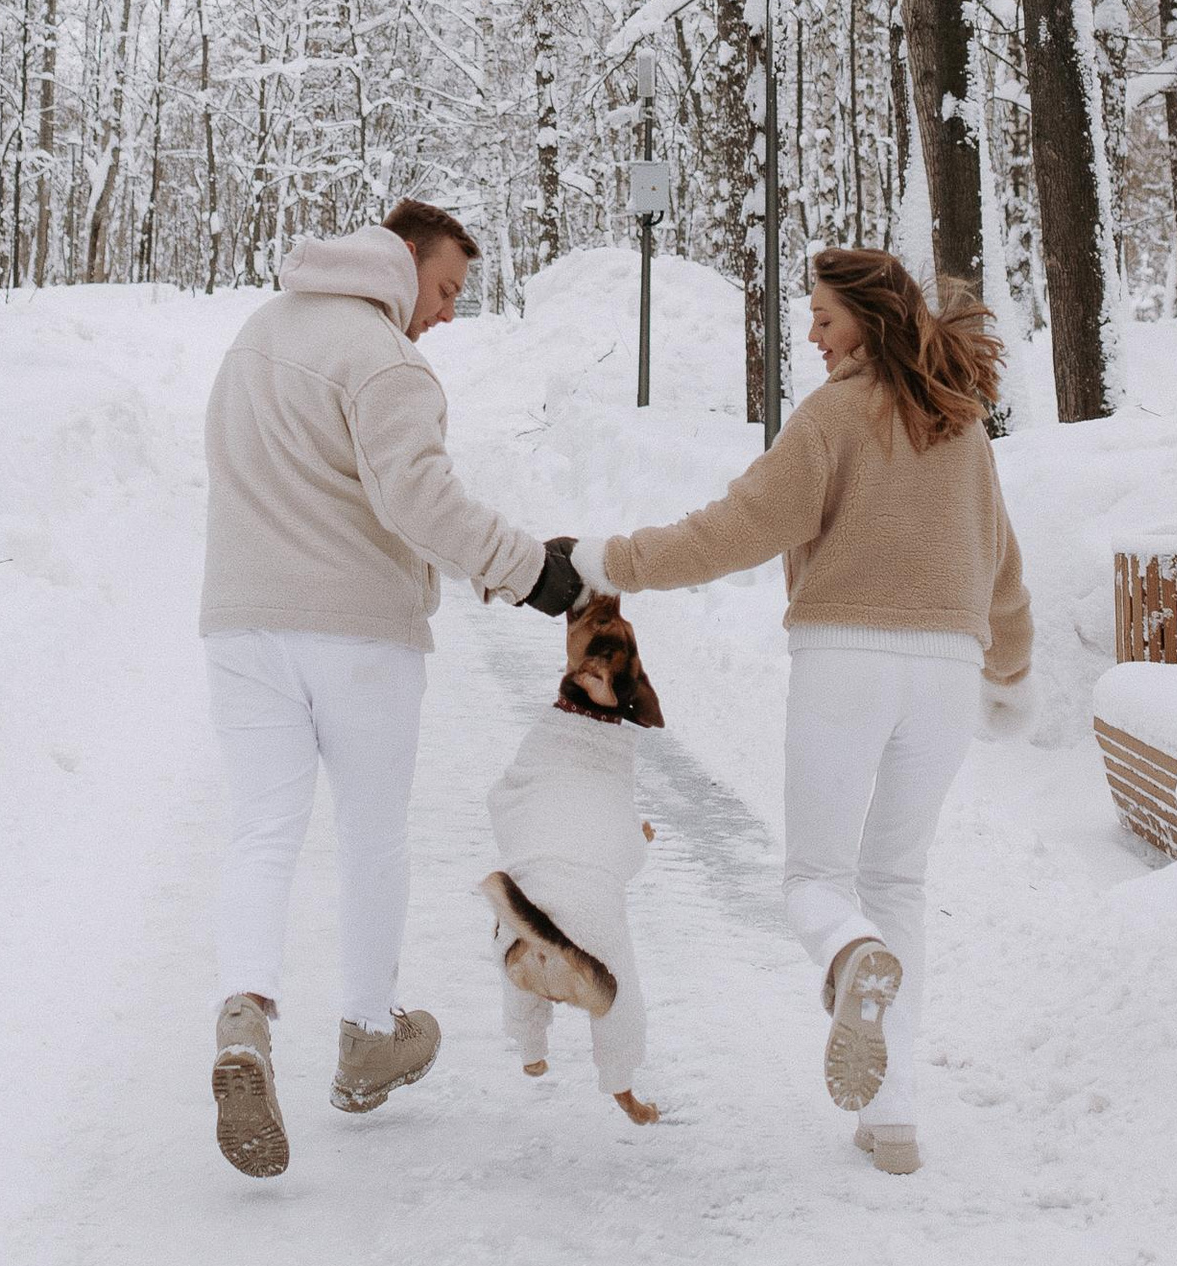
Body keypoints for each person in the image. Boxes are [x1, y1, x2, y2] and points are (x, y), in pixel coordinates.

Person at [567, 248, 1030, 1176]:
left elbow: (733, 529)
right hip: (946, 673)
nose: (812, 337)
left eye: (824, 319)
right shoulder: (961, 426)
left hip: (846, 660)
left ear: (870, 317)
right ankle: (891, 1119)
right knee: (898, 880)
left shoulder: (832, 416)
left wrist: (608, 561)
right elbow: (1005, 570)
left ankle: (848, 951)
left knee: (818, 880)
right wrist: (1011, 678)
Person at [201, 197, 586, 1179]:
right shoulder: (385, 361)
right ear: (403, 263)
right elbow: (418, 500)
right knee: (371, 832)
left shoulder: (256, 334)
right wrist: (526, 570)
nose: (448, 313)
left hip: (244, 624)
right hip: (358, 633)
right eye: (447, 288)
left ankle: (244, 1013)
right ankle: (368, 1035)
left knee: (261, 829)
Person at [480, 598, 665, 1126]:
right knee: (618, 990)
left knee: (528, 913)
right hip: (590, 947)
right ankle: (624, 1090)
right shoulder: (614, 759)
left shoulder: (546, 740)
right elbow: (618, 849)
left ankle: (530, 1050)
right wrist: (636, 836)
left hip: (522, 929)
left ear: (591, 674)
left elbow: (506, 801)